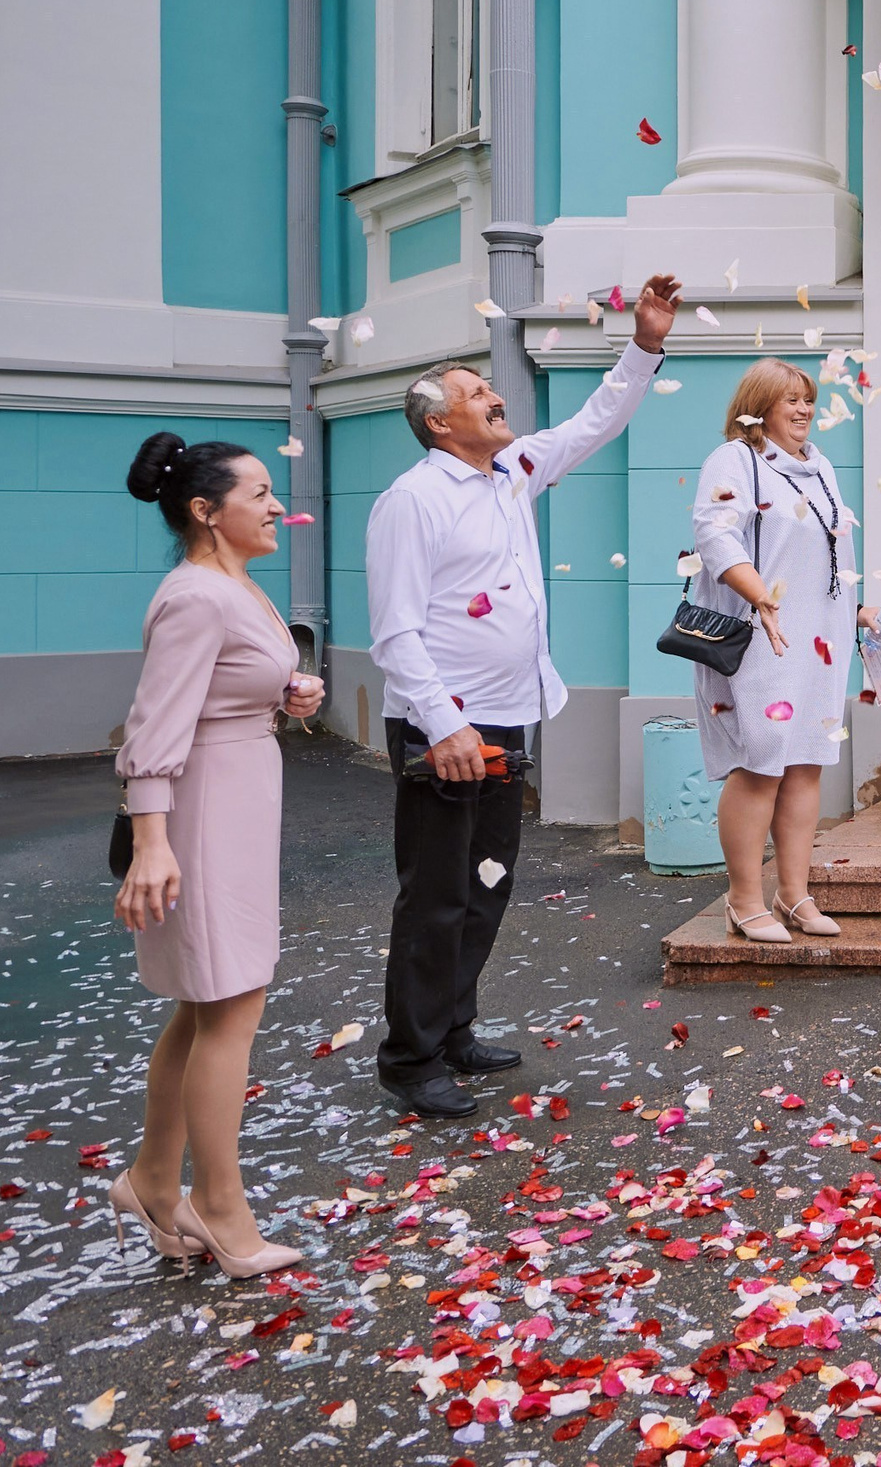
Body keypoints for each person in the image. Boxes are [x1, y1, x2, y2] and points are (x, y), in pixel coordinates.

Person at [365, 275, 681, 1119]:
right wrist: (444, 724)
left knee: (486, 882)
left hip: (507, 717)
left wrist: (645, 342)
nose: (496, 395)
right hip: (446, 729)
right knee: (434, 894)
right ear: (440, 422)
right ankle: (408, 1055)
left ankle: (453, 1026)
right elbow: (395, 633)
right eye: (476, 392)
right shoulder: (413, 501)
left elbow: (592, 424)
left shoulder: (510, 472)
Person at [112, 434, 325, 1278]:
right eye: (261, 493)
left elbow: (231, 688)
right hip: (199, 812)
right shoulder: (196, 594)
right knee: (232, 1002)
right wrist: (152, 844)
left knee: (206, 1004)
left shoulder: (232, 584)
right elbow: (153, 728)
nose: (278, 507)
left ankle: (154, 1180)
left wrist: (291, 692)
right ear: (206, 511)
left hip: (236, 795)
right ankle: (217, 1204)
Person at [690, 357, 880, 942]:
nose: (803, 409)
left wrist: (854, 610)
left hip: (816, 639)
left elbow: (823, 555)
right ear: (758, 405)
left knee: (805, 761)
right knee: (762, 762)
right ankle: (744, 900)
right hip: (759, 632)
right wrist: (761, 597)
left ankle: (795, 896)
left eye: (808, 398)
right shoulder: (736, 460)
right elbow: (713, 533)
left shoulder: (818, 466)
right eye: (789, 399)